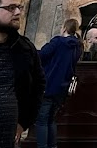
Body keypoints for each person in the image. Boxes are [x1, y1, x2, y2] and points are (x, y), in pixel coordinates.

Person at [0, 0, 43, 147]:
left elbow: (38, 86)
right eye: (11, 7)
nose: (17, 12)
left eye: (19, 7)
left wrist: (24, 122)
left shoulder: (25, 48)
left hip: (7, 135)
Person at [35, 19, 82, 148]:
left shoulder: (58, 41)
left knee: (41, 121)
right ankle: (52, 146)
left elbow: (42, 55)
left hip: (49, 84)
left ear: (64, 28)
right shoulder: (78, 46)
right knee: (51, 119)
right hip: (62, 87)